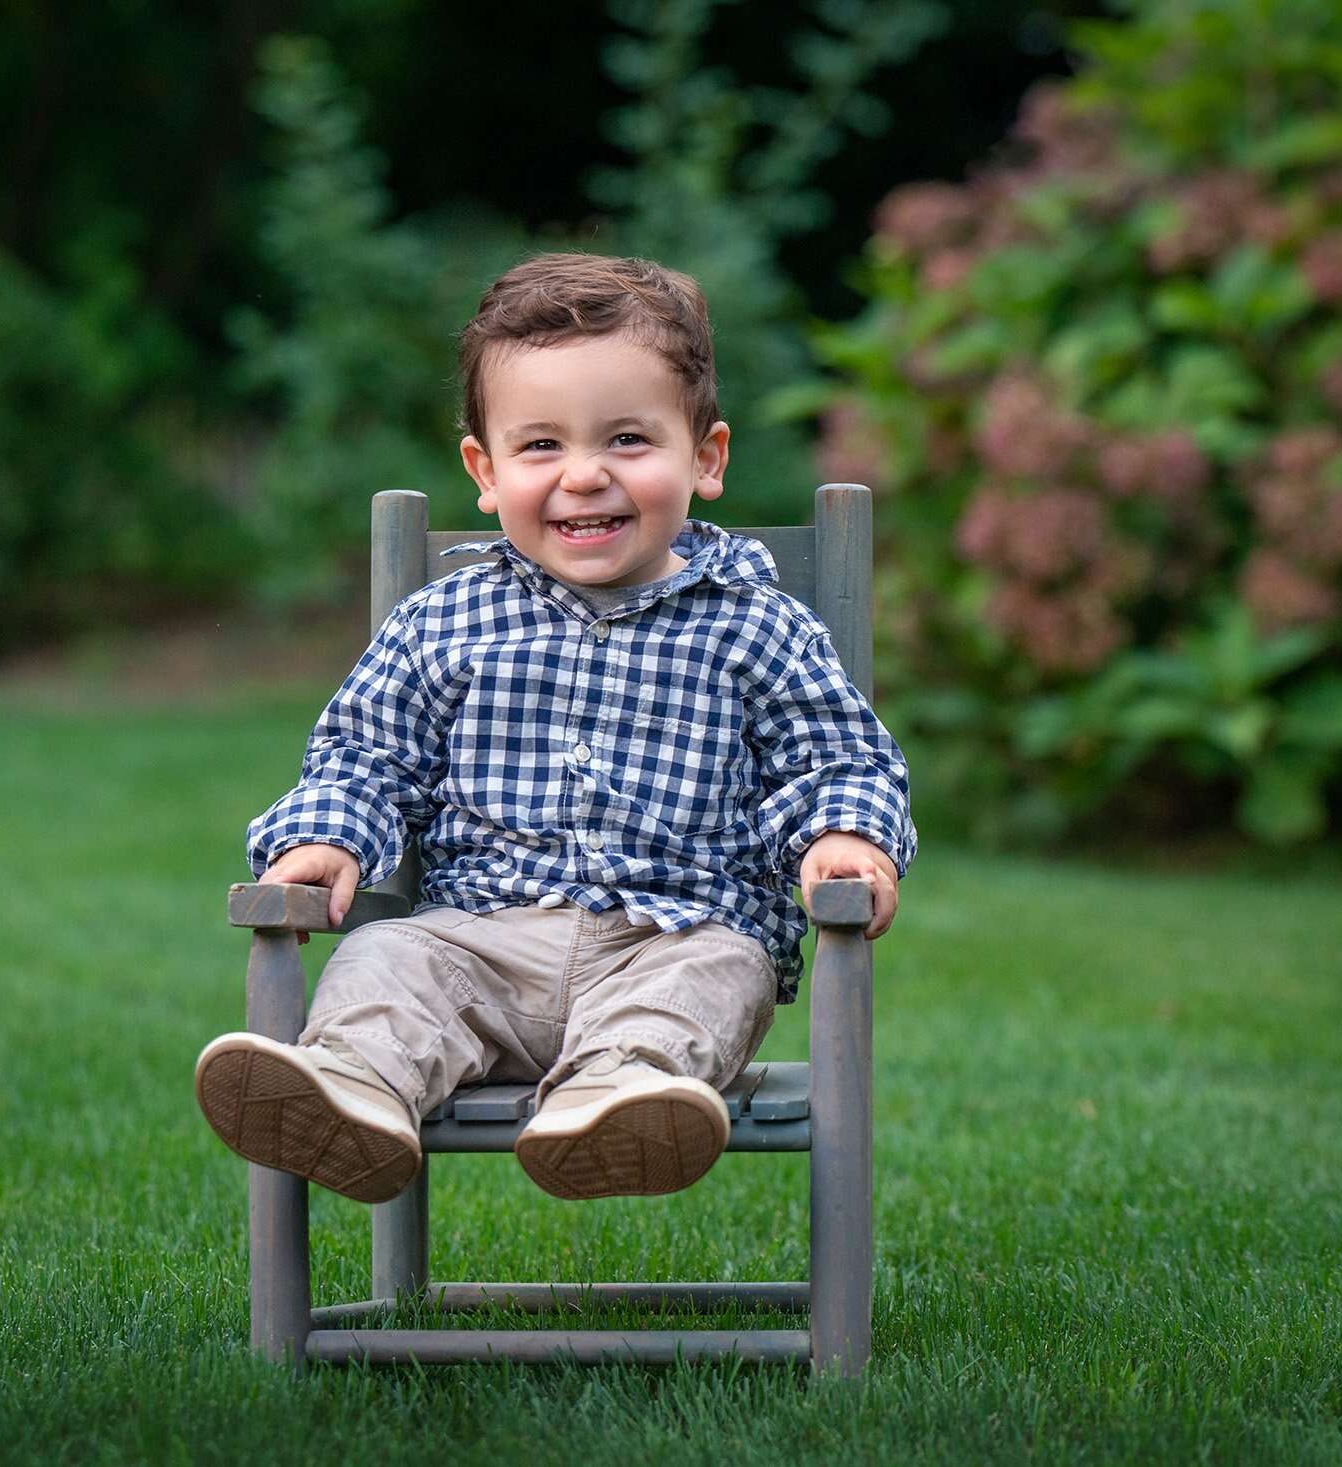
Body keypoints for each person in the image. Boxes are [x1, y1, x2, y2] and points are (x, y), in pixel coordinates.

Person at [194, 253, 916, 1204]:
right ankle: (354, 1084)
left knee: (721, 970)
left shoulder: (755, 620)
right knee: (387, 954)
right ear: (484, 472)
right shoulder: (445, 619)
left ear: (706, 457)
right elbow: (367, 757)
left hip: (670, 932)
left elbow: (836, 758)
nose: (585, 476)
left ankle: (619, 1097)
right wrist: (326, 834)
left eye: (627, 438)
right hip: (480, 940)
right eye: (540, 447)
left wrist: (845, 835)